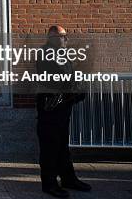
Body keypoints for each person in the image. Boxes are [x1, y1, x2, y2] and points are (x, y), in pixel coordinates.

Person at [35, 25, 91, 197]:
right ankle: (49, 184)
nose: (66, 39)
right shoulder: (45, 54)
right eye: (63, 36)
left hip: (62, 107)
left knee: (62, 146)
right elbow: (59, 78)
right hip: (50, 108)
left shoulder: (61, 54)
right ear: (52, 38)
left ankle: (68, 178)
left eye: (66, 36)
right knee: (50, 146)